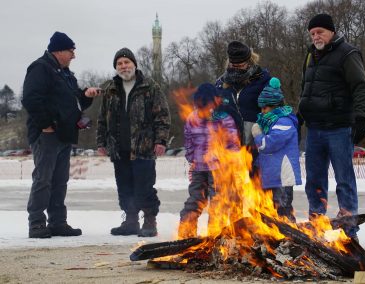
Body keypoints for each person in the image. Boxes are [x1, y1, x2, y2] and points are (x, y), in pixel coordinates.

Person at [298, 14, 365, 240]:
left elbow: (360, 87)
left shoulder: (348, 53)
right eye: (312, 33)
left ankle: (349, 231)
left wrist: (361, 118)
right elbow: (306, 90)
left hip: (339, 128)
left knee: (344, 179)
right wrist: (299, 117)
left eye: (320, 31)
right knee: (314, 181)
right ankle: (317, 225)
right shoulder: (311, 55)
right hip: (315, 129)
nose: (316, 36)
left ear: (331, 32)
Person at [22, 31, 100, 238]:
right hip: (47, 134)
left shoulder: (66, 74)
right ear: (58, 50)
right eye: (70, 50)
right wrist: (46, 124)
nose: (73, 55)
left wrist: (86, 96)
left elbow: (74, 102)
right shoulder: (40, 68)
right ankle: (37, 224)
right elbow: (30, 99)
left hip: (65, 134)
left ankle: (57, 222)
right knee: (43, 179)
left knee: (60, 180)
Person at [97, 47, 171, 237]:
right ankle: (130, 221)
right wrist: (101, 142)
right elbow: (102, 119)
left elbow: (162, 115)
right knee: (124, 185)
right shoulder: (110, 90)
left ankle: (149, 221)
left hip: (143, 147)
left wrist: (161, 140)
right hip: (118, 148)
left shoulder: (149, 86)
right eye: (119, 64)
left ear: (134, 64)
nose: (123, 66)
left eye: (126, 62)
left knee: (144, 186)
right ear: (116, 68)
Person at [178, 83, 240, 239]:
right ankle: (187, 235)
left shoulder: (223, 119)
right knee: (197, 200)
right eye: (200, 107)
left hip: (218, 169)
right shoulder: (194, 118)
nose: (204, 111)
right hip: (202, 168)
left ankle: (214, 236)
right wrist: (192, 160)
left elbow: (233, 143)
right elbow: (189, 142)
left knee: (217, 202)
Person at [251, 78, 301, 222]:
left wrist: (258, 135)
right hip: (271, 176)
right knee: (270, 211)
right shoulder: (270, 123)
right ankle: (274, 240)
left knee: (283, 211)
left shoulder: (284, 122)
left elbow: (269, 145)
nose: (262, 112)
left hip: (282, 178)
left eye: (265, 108)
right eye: (261, 108)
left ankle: (289, 238)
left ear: (274, 106)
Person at [216, 40, 271, 148]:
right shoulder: (220, 84)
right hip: (229, 147)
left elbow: (273, 112)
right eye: (233, 66)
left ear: (249, 62)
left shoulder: (263, 80)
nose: (236, 69)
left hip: (256, 144)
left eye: (240, 66)